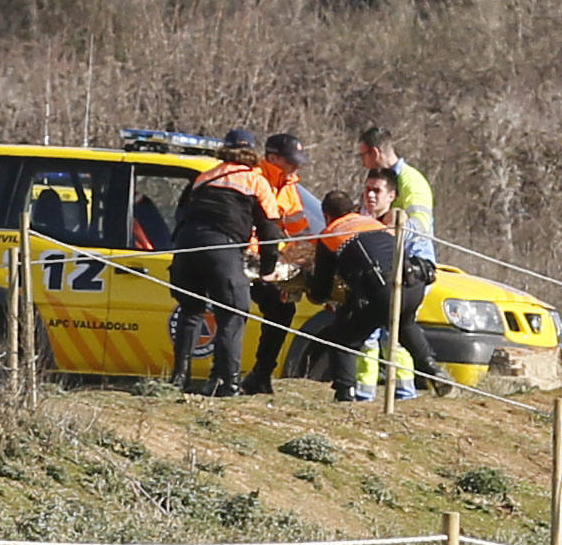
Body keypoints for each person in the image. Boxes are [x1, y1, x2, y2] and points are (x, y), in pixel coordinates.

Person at [306, 191, 453, 401]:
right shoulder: (374, 223)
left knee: (343, 338)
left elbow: (321, 287)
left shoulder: (330, 234)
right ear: (354, 210)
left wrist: (314, 292)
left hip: (380, 289)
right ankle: (433, 370)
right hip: (413, 284)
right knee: (404, 325)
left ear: (327, 215)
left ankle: (345, 393)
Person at [169, 128, 283, 397]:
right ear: (252, 152)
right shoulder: (256, 182)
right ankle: (227, 383)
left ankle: (177, 379)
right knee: (234, 311)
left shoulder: (204, 177)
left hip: (185, 247)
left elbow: (180, 213)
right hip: (222, 248)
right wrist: (267, 269)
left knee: (191, 310)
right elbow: (270, 230)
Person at [241, 133, 310, 395]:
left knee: (283, 310)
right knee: (234, 312)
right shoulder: (254, 178)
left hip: (270, 262)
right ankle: (226, 375)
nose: (297, 166)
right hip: (246, 259)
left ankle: (261, 374)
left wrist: (301, 258)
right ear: (273, 158)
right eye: (291, 161)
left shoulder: (289, 185)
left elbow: (298, 230)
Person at [357, 127, 435, 243]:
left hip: (414, 257)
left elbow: (421, 225)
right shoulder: (376, 181)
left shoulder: (412, 180)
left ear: (374, 153)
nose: (363, 163)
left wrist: (390, 233)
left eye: (362, 156)